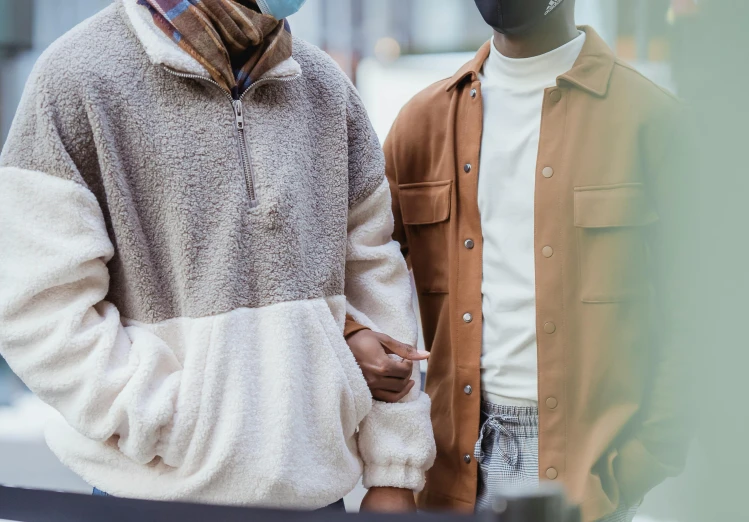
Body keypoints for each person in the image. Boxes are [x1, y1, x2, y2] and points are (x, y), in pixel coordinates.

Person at [0, 0, 435, 512]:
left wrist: (394, 469)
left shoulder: (325, 87)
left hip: (316, 498)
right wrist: (167, 420)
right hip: (153, 497)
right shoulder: (78, 76)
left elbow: (373, 274)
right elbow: (38, 306)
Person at [351, 0, 691, 520]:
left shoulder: (651, 120)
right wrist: (357, 335)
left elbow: (700, 315)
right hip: (448, 470)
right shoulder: (422, 124)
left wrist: (640, 462)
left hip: (587, 476)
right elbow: (359, 269)